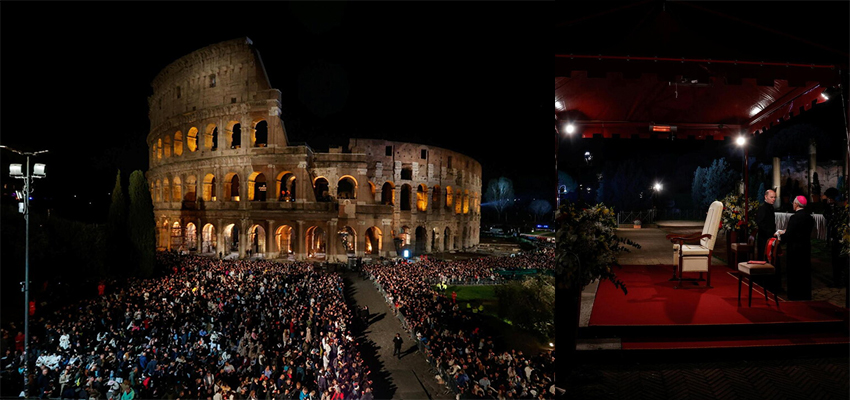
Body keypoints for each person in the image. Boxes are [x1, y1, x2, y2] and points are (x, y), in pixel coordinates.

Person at [777, 196, 815, 301]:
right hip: (805, 247)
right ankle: (805, 295)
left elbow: (790, 234)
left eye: (793, 203)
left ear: (796, 204)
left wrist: (781, 236)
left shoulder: (794, 217)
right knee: (804, 272)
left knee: (794, 272)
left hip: (795, 249)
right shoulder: (810, 217)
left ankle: (794, 295)